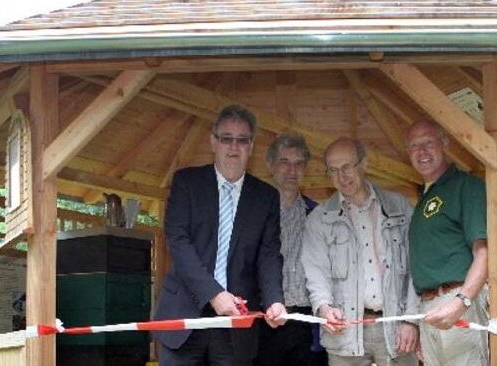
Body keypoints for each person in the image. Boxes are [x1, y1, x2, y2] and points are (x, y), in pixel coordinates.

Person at [153, 105, 287, 366]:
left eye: (242, 140)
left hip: (235, 326)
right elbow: (178, 242)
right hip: (184, 316)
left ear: (251, 146)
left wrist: (275, 301)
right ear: (213, 141)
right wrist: (214, 294)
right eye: (226, 138)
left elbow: (269, 256)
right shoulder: (186, 182)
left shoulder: (266, 197)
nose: (233, 147)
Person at [301, 137, 419, 366]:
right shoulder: (319, 218)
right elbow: (315, 271)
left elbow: (418, 268)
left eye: (347, 167)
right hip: (344, 334)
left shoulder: (400, 208)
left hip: (396, 329)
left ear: (363, 164)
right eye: (333, 170)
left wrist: (412, 321)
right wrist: (324, 308)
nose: (341, 176)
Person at [405, 120, 489, 366]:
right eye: (414, 146)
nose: (422, 151)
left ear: (444, 144)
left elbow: (484, 253)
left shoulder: (466, 186)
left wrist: (461, 302)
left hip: (458, 299)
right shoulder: (424, 198)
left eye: (428, 142)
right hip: (428, 307)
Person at [256, 134, 328, 366]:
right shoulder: (253, 213)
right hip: (264, 320)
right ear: (270, 165)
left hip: (305, 321)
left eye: (298, 163)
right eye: (284, 162)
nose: (291, 170)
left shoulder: (316, 214)